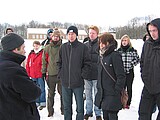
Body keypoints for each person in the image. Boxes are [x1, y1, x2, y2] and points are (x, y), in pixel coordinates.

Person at [0, 33, 41, 120]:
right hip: (18, 114)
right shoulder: (14, 70)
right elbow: (33, 93)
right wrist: (34, 85)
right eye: (23, 48)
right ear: (15, 49)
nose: (25, 51)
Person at [57, 26, 91, 120]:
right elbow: (59, 63)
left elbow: (87, 63)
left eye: (73, 34)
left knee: (80, 108)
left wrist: (81, 75)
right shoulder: (63, 47)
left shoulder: (82, 47)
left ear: (76, 35)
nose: (71, 36)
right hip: (65, 83)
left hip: (78, 83)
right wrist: (61, 74)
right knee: (67, 107)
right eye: (69, 34)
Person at [95, 32, 126, 120]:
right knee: (105, 116)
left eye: (103, 42)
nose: (101, 45)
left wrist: (116, 90)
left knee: (112, 116)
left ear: (109, 43)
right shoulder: (101, 56)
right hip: (103, 93)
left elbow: (121, 76)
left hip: (113, 93)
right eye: (100, 42)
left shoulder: (115, 56)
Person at [138, 18, 160, 120]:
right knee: (143, 113)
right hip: (148, 86)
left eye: (154, 30)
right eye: (150, 31)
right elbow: (142, 62)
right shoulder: (147, 44)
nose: (152, 33)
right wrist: (144, 76)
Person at [42, 28, 63, 117]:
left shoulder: (63, 47)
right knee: (50, 94)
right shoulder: (47, 48)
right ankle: (50, 111)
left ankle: (63, 110)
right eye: (54, 36)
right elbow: (44, 60)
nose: (55, 38)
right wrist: (43, 71)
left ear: (59, 37)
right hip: (51, 74)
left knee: (63, 93)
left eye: (57, 37)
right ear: (51, 37)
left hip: (61, 74)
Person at [83, 25, 102, 120]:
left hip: (97, 74)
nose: (91, 35)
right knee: (88, 95)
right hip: (87, 75)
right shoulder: (85, 45)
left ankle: (98, 112)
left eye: (93, 33)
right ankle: (88, 111)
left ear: (97, 34)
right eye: (90, 33)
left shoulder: (100, 44)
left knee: (97, 94)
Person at [117, 34, 140, 109]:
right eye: (123, 40)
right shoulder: (119, 51)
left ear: (128, 41)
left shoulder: (132, 50)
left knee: (129, 88)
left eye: (125, 40)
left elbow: (137, 60)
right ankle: (121, 102)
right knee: (122, 88)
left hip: (130, 72)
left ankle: (128, 103)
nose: (124, 42)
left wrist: (131, 64)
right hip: (121, 72)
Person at [26, 40, 46, 110]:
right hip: (33, 74)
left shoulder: (42, 53)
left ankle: (42, 101)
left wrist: (44, 71)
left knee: (41, 88)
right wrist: (28, 73)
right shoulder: (31, 54)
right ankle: (37, 101)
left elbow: (45, 62)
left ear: (39, 45)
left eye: (37, 45)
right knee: (35, 88)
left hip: (40, 73)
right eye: (34, 46)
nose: (36, 47)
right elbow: (28, 63)